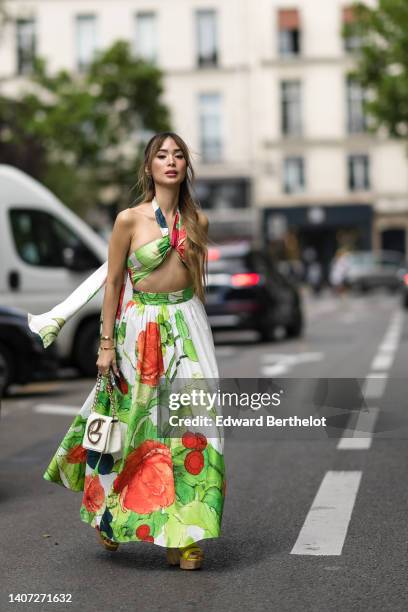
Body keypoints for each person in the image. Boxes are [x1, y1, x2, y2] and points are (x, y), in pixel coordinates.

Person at [27, 131, 226, 571]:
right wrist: (105, 346)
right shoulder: (129, 220)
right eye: (162, 155)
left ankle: (186, 536)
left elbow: (198, 287)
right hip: (141, 331)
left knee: (195, 430)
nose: (170, 161)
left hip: (187, 326)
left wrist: (204, 339)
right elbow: (114, 283)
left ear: (185, 167)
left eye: (178, 155)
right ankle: (109, 514)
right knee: (137, 431)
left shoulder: (198, 222)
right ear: (149, 166)